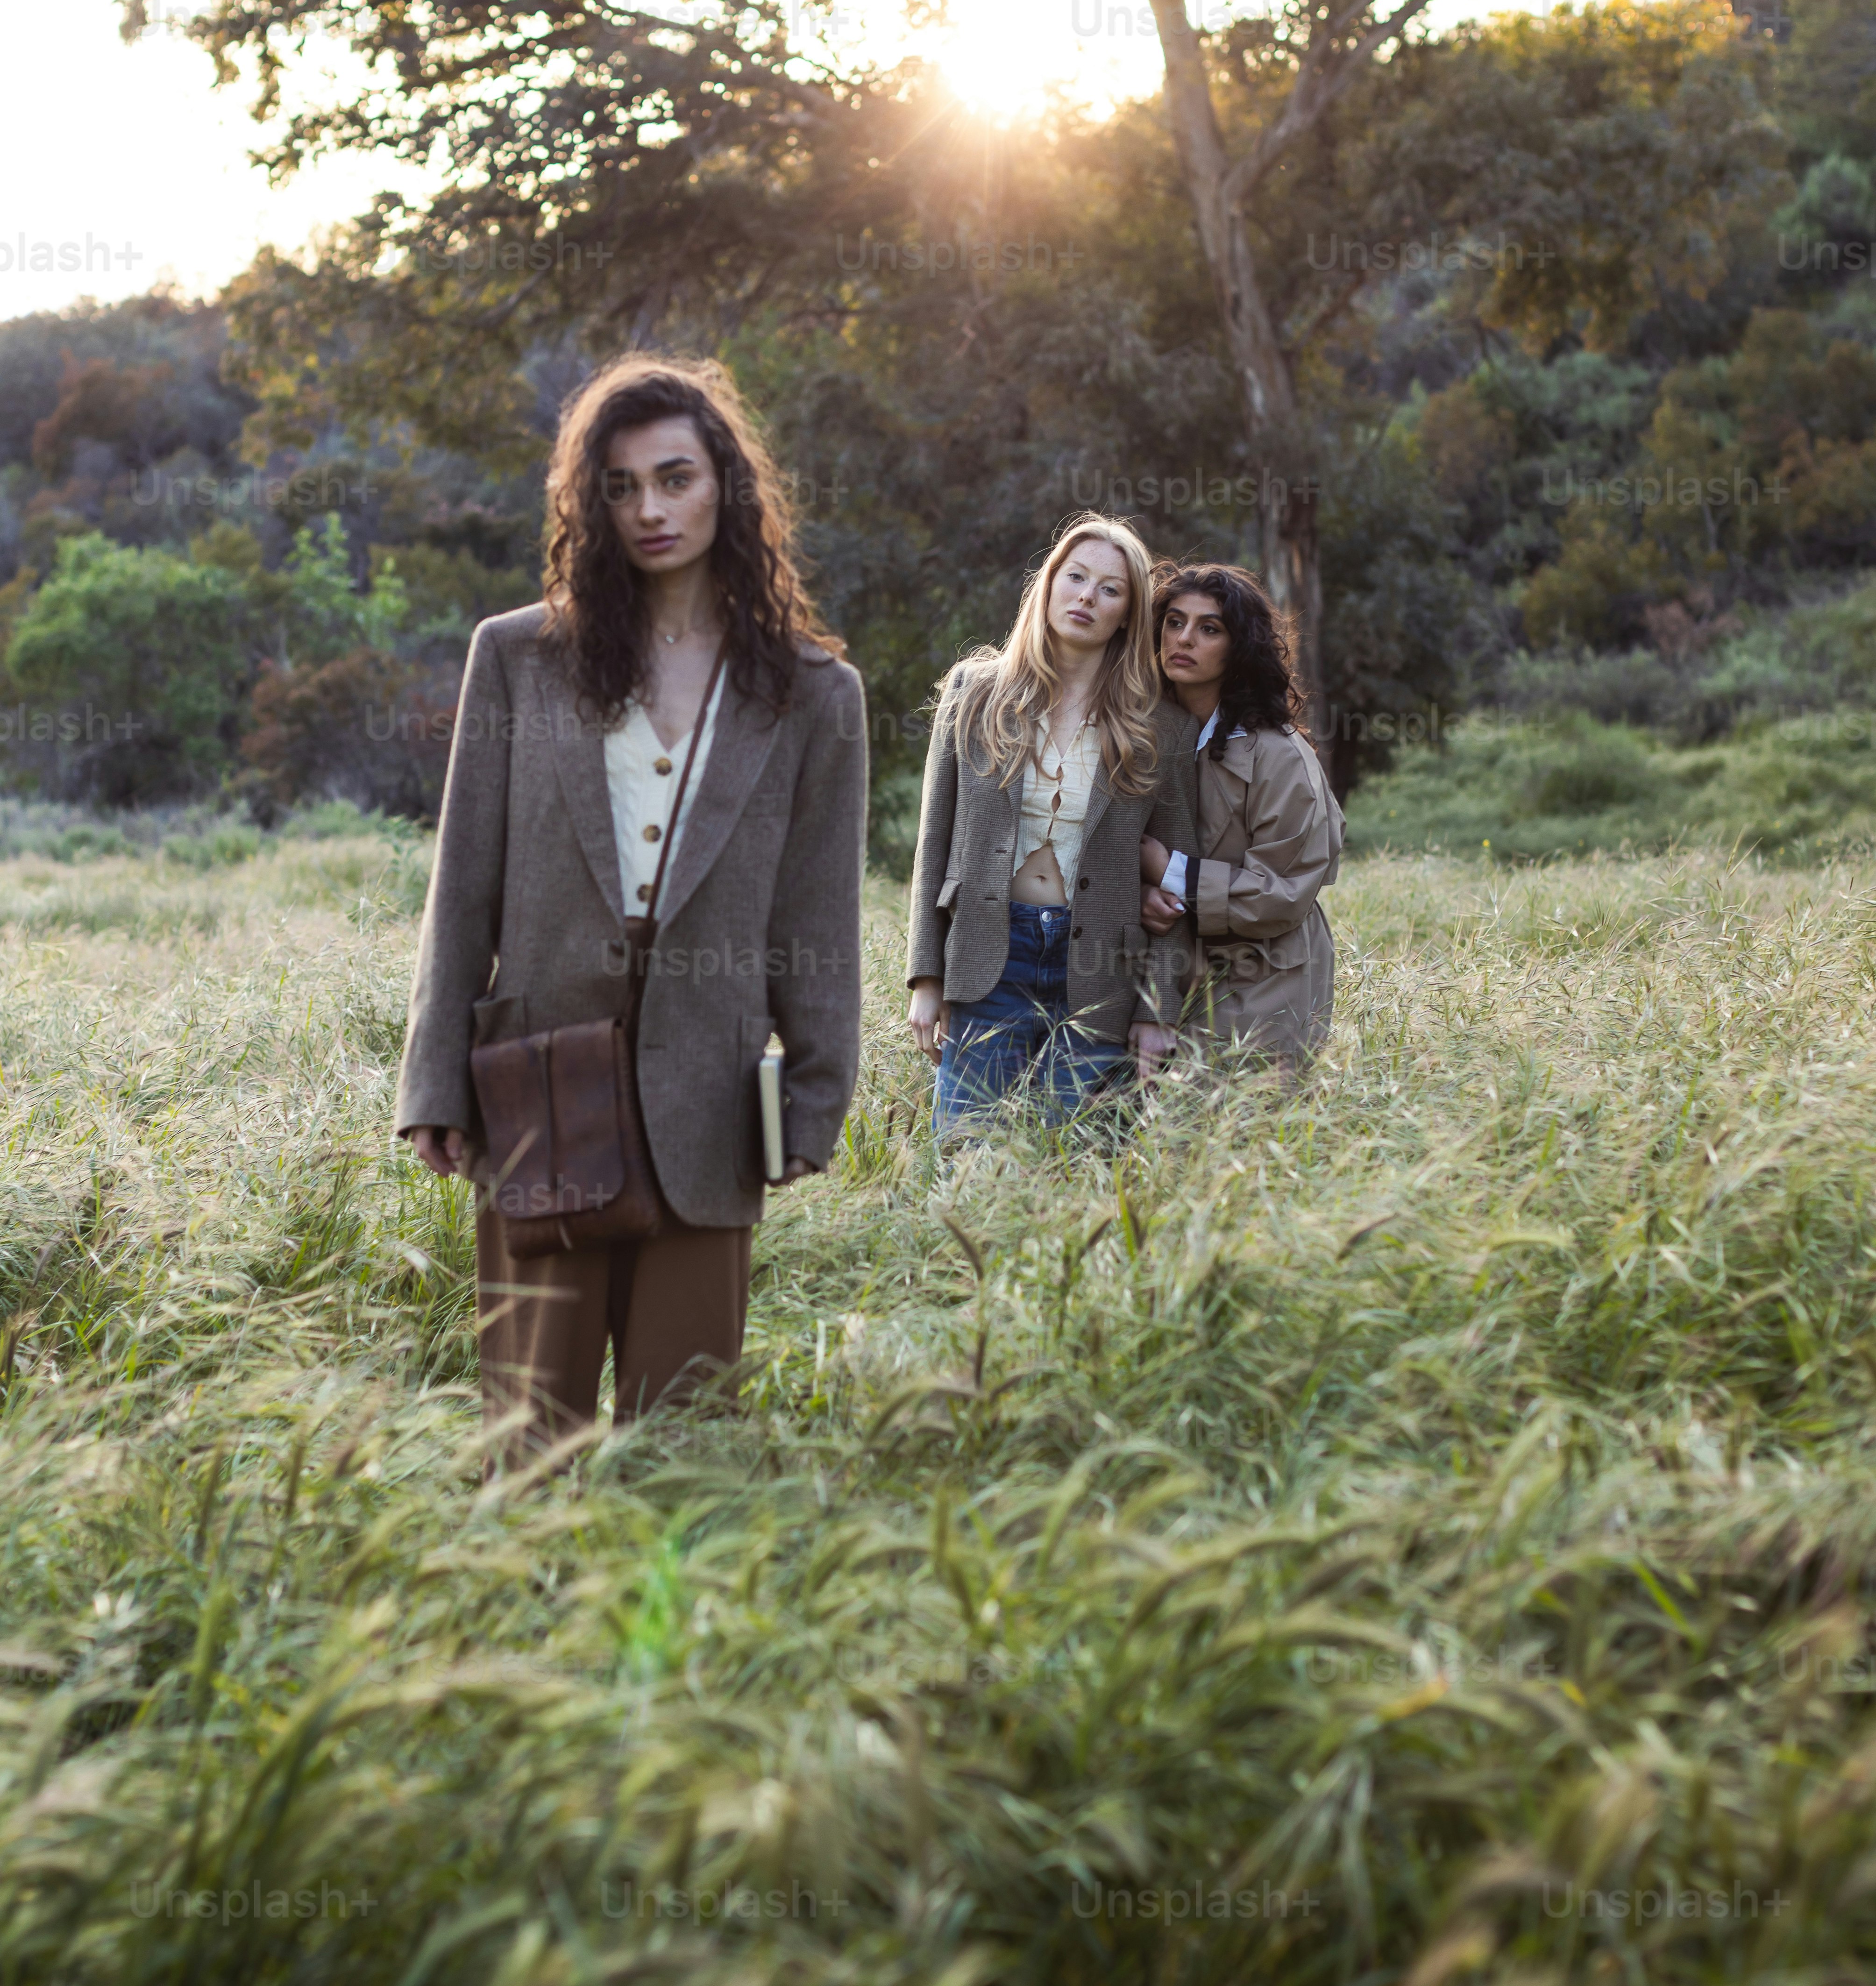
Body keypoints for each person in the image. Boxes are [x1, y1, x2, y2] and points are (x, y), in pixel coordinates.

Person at [397, 354, 867, 1430]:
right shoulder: (518, 658)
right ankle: (524, 1603)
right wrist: (432, 1082)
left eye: (675, 478)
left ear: (726, 488)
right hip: (541, 1088)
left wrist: (814, 1097)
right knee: (530, 1433)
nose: (650, 509)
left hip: (709, 1098)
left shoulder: (813, 694)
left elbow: (817, 921)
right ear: (588, 504)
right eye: (618, 487)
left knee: (683, 1436)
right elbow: (461, 884)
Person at [905, 516, 1199, 1133]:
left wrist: (1158, 1010)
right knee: (968, 1166)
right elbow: (934, 847)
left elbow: (1178, 887)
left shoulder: (1162, 730)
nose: (1088, 597)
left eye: (1110, 589)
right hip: (987, 965)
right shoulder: (973, 693)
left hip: (1102, 979)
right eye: (1076, 577)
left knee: (1085, 1175)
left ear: (1129, 614)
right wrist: (926, 977)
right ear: (1049, 585)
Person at [1137, 562, 1343, 1071]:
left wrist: (1171, 874)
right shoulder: (1141, 737)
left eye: (1210, 629)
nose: (1184, 639)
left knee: (1240, 1139)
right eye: (1174, 622)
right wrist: (1140, 892)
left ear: (1239, 647)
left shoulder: (1280, 755)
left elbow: (1284, 892)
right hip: (1165, 977)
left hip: (1269, 980)